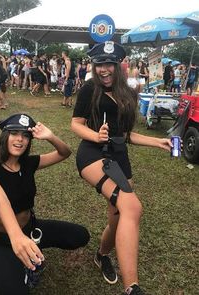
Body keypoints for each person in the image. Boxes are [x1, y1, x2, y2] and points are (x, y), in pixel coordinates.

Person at [71, 41, 172, 295]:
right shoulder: (89, 89)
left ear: (119, 66)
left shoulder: (127, 93)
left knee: (117, 219)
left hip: (119, 155)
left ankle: (102, 254)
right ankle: (132, 289)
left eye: (110, 64)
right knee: (133, 207)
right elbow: (76, 124)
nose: (104, 69)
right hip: (93, 153)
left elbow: (127, 135)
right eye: (100, 64)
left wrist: (157, 141)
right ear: (95, 66)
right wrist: (96, 136)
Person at [0, 113, 90, 294]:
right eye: (14, 133)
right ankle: (14, 263)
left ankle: (28, 252)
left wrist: (50, 137)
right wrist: (16, 237)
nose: (20, 139)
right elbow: (0, 199)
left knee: (80, 235)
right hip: (0, 241)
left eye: (26, 135)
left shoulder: (28, 163)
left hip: (30, 230)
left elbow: (64, 153)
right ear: (5, 136)